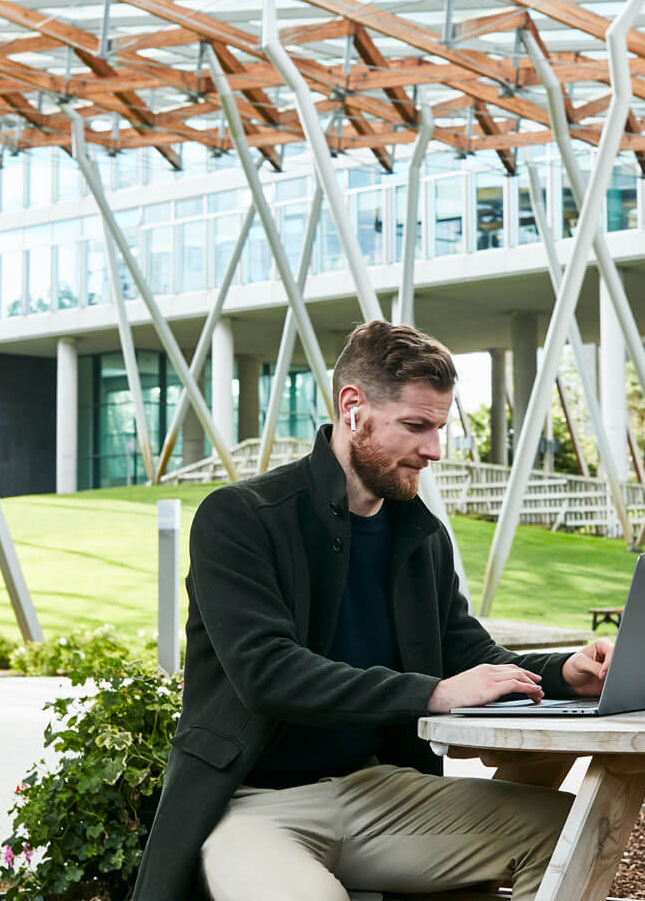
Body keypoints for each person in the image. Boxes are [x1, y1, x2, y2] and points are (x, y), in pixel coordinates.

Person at [131, 320, 615, 900]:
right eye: (416, 426)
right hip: (251, 805)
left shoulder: (419, 537)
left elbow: (471, 655)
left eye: (439, 428)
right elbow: (267, 672)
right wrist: (431, 693)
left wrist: (566, 673)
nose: (433, 450)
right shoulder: (241, 518)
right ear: (353, 407)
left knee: (576, 835)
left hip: (378, 793)